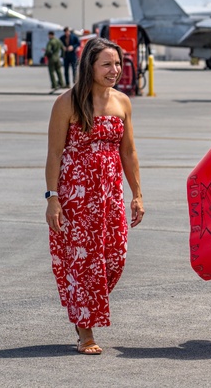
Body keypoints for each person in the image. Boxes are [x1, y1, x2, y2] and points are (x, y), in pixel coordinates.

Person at [45, 37, 145, 355]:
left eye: (117, 64)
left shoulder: (122, 102)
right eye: (107, 64)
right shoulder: (68, 103)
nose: (114, 70)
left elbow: (128, 151)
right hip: (76, 196)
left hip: (110, 194)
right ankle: (85, 330)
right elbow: (54, 153)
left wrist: (137, 194)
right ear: (89, 66)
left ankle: (84, 306)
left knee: (114, 259)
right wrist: (52, 198)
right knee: (85, 263)